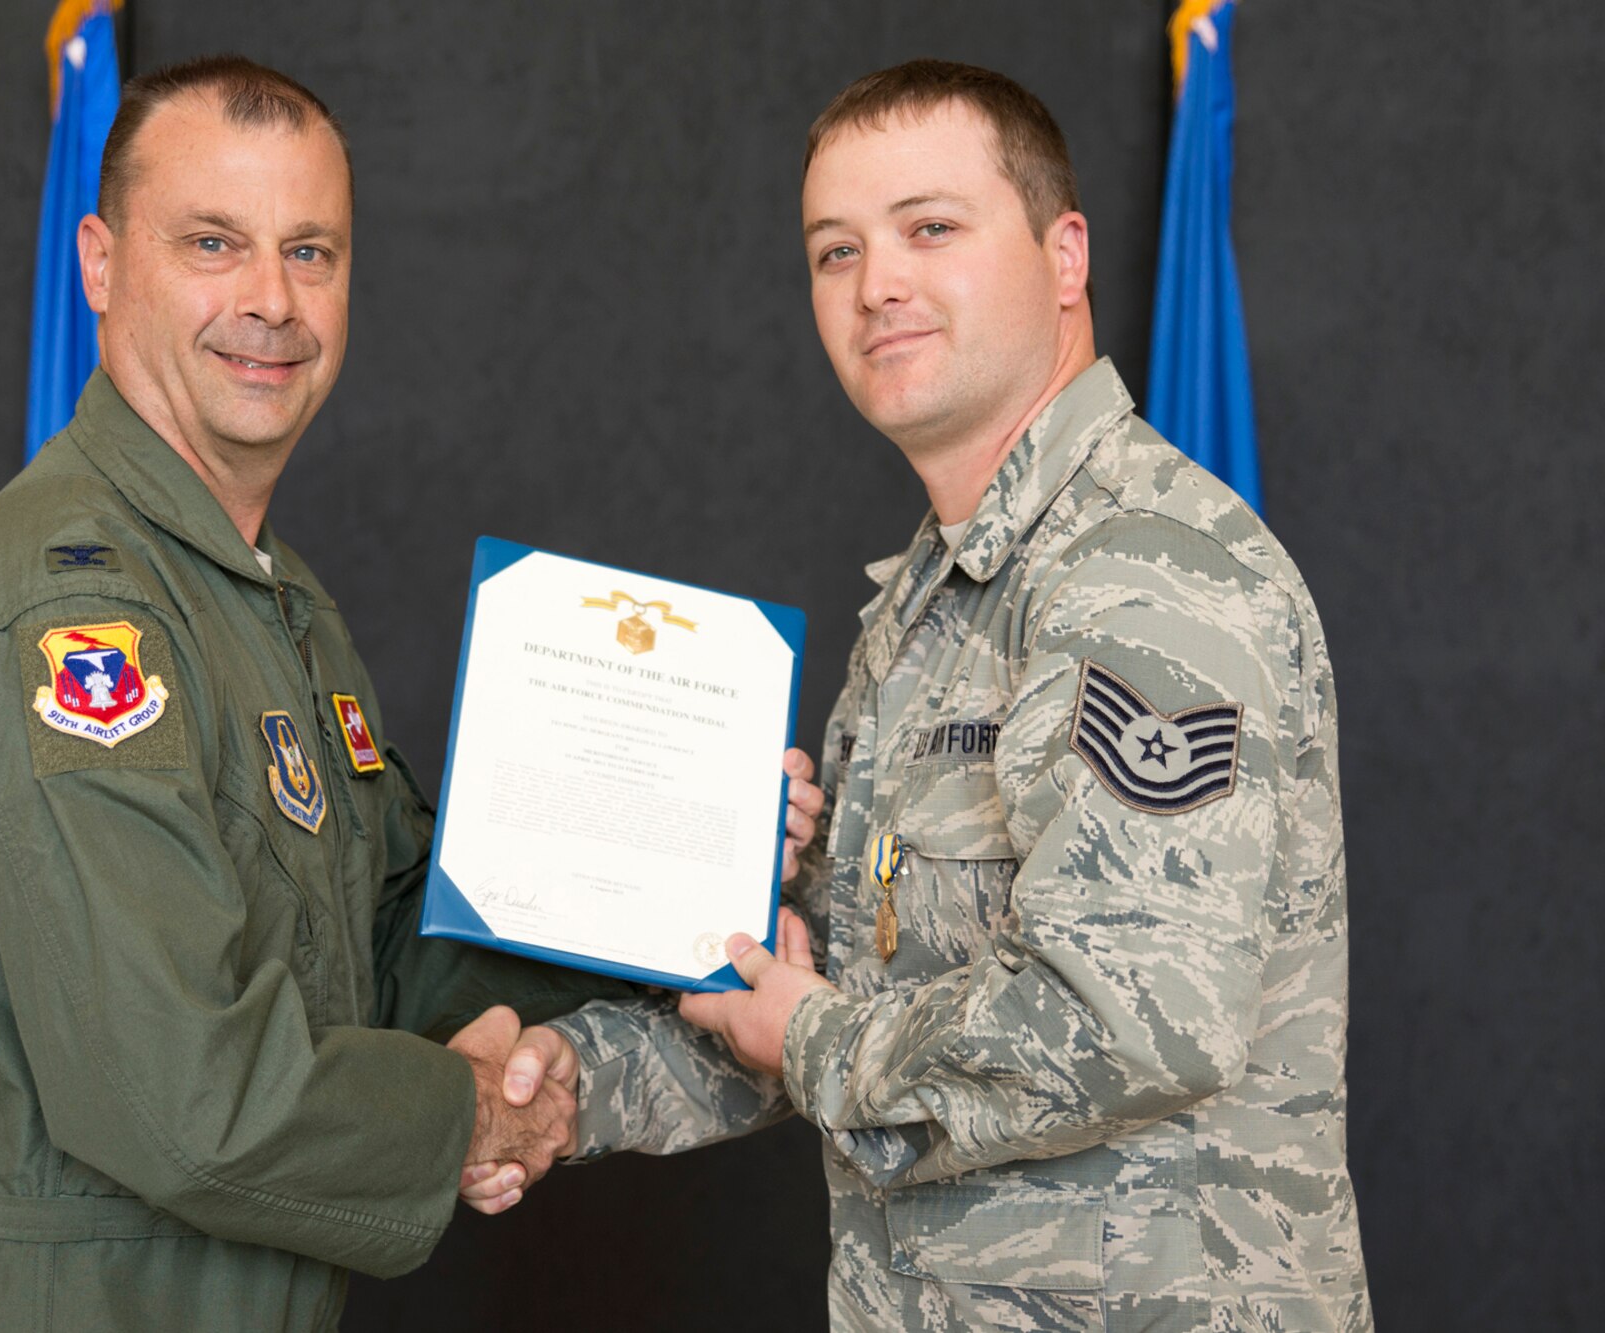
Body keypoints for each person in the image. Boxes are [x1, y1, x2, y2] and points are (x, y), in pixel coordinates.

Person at [0, 56, 818, 1332]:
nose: (269, 301)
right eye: (211, 243)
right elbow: (184, 1101)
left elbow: (388, 964)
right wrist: (478, 1113)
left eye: (310, 252)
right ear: (97, 262)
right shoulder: (74, 623)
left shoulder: (267, 597)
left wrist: (691, 854)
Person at [475, 60, 1372, 1331]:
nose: (875, 283)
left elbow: (1130, 1018)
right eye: (833, 250)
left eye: (929, 229)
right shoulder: (933, 604)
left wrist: (817, 1037)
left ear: (1064, 257)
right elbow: (821, 990)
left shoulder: (1142, 570)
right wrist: (570, 1083)